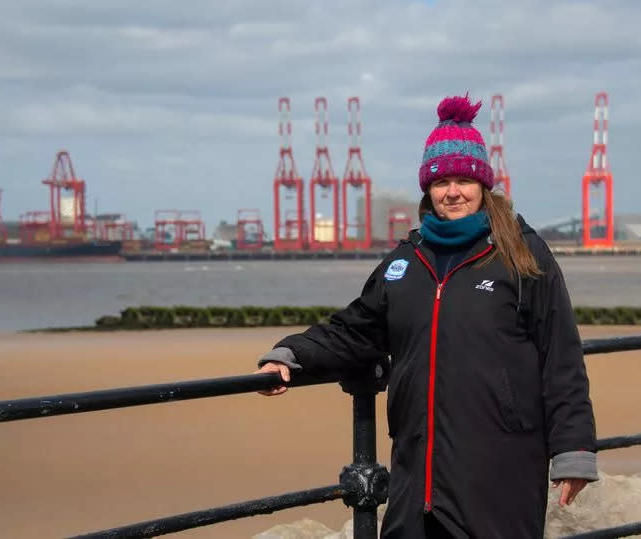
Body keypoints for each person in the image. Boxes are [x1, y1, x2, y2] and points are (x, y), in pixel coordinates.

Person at [256, 94, 598, 538]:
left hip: (500, 472)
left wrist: (573, 450)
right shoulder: (407, 261)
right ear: (427, 188)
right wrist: (291, 355)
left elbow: (561, 355)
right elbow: (356, 329)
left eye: (463, 180)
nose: (452, 192)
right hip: (415, 475)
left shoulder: (521, 253)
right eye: (440, 182)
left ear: (482, 185)